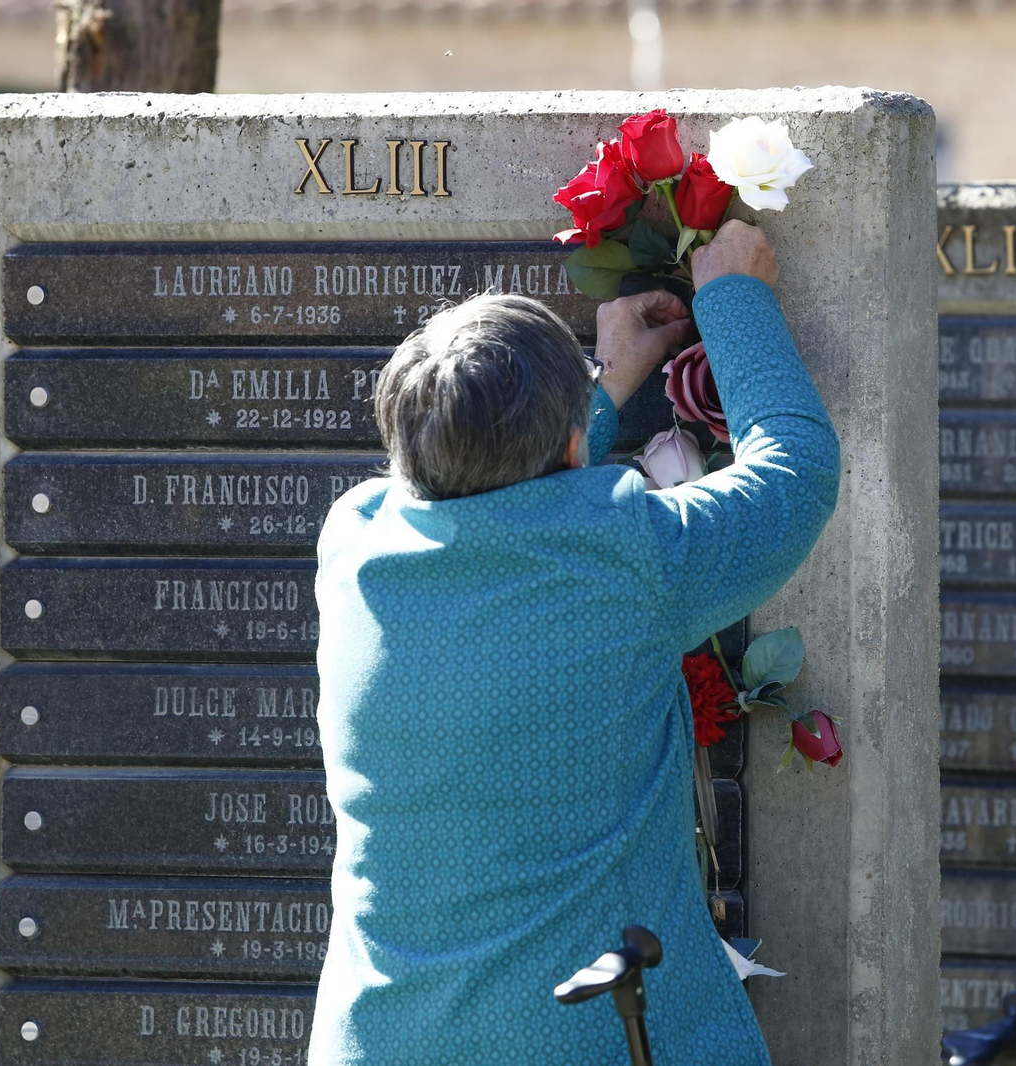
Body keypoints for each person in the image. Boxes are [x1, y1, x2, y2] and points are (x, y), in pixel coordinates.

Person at [309, 221, 839, 1065]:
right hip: (587, 1039)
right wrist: (736, 296)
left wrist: (599, 386)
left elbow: (491, 499)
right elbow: (794, 475)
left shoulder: (355, 545)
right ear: (570, 448)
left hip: (382, 1040)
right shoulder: (622, 555)